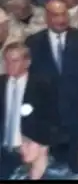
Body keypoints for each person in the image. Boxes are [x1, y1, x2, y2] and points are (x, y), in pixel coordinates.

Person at [25, 0, 78, 173]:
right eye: (56, 15)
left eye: (64, 14)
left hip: (77, 114)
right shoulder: (34, 43)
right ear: (47, 18)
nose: (61, 19)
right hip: (48, 120)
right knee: (52, 169)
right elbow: (29, 85)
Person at [0, 43, 59, 179]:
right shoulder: (1, 84)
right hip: (2, 149)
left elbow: (52, 118)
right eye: (6, 61)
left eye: (14, 61)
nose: (9, 65)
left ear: (27, 62)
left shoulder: (42, 86)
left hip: (28, 151)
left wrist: (41, 144)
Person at [8, 110, 71, 180]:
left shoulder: (63, 174)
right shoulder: (18, 173)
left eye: (28, 142)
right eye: (21, 141)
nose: (22, 148)